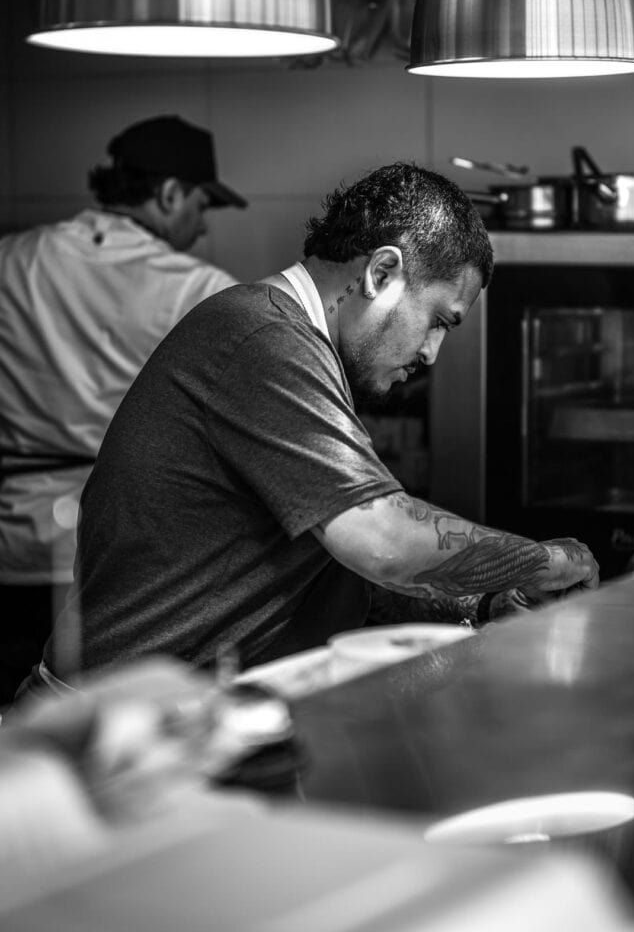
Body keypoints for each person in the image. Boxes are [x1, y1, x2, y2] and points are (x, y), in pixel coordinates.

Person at [23, 162, 598, 695]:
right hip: (105, 733)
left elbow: (335, 572)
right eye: (439, 320)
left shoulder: (299, 348)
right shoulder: (263, 338)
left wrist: (484, 604)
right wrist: (541, 561)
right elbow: (382, 541)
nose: (432, 352)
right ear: (381, 273)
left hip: (186, 716)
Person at [0, 114, 246, 703]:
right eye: (201, 205)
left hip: (12, 546)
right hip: (120, 557)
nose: (201, 226)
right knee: (107, 729)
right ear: (169, 193)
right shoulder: (203, 290)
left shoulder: (11, 260)